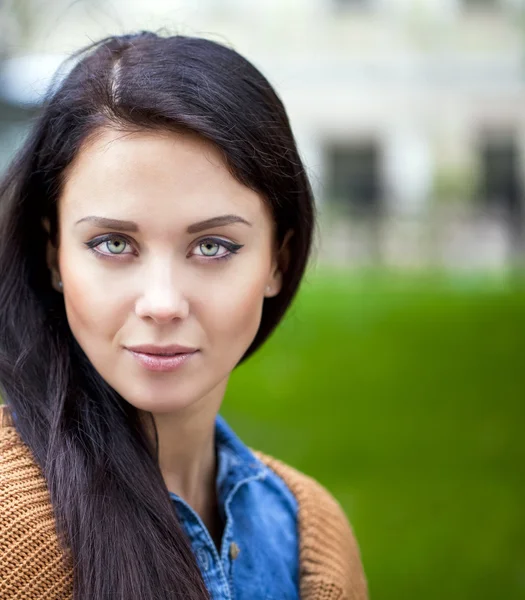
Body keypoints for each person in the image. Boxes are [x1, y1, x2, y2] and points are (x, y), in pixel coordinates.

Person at [0, 32, 367, 600]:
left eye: (213, 246)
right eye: (114, 244)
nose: (163, 303)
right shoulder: (12, 530)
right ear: (54, 256)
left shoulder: (310, 531)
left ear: (278, 260)